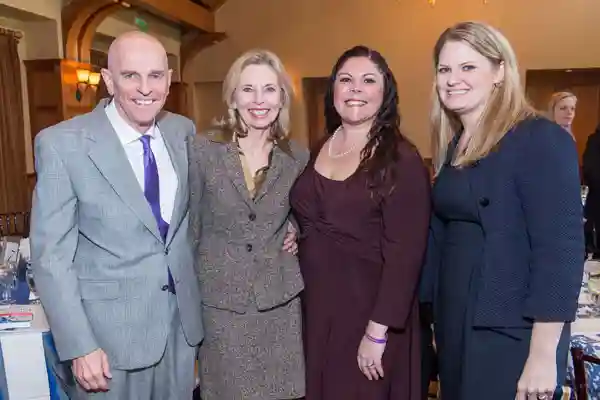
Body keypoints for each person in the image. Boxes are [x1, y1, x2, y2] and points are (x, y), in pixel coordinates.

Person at [30, 31, 204, 399]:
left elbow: (199, 216)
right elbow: (51, 257)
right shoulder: (62, 144)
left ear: (169, 80)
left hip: (180, 333)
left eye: (155, 76)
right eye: (130, 76)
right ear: (109, 81)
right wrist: (79, 345)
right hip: (107, 344)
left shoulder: (182, 131)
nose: (145, 88)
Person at [419, 21, 584, 400]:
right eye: (444, 69)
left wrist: (543, 354)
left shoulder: (540, 138)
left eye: (468, 67)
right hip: (456, 322)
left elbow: (560, 251)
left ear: (499, 71)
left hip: (511, 330)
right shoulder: (455, 145)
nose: (452, 79)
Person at [290, 45, 431, 400]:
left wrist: (377, 332)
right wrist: (292, 227)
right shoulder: (319, 146)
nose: (356, 88)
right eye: (346, 80)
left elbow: (406, 254)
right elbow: (309, 213)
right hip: (316, 309)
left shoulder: (401, 159)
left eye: (368, 80)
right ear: (333, 89)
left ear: (385, 92)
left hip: (370, 315)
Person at [188, 49, 308, 400]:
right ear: (233, 97)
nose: (259, 100)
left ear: (282, 97)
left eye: (269, 90)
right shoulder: (202, 150)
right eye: (248, 89)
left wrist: (295, 228)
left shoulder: (298, 157)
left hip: (279, 305)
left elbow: (308, 212)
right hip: (221, 306)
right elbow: (190, 225)